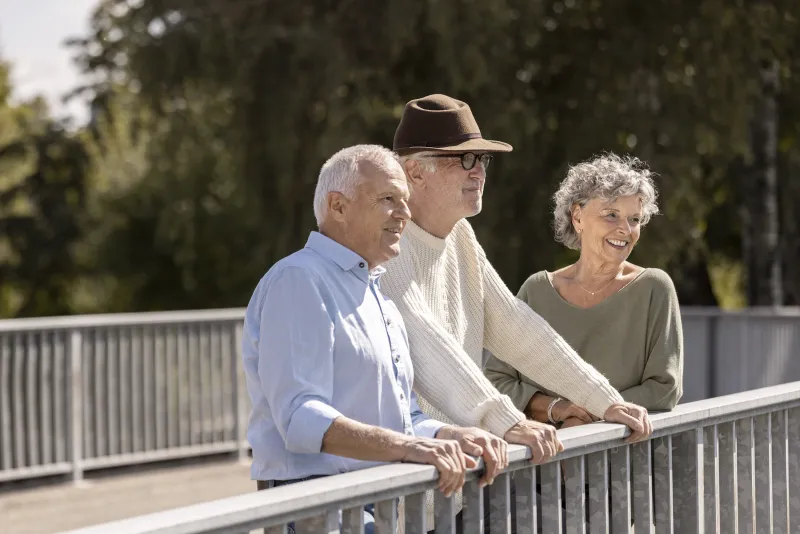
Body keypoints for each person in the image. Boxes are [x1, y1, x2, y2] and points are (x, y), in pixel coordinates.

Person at [241, 145, 507, 533]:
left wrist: (450, 435)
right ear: (338, 206)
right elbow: (301, 419)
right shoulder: (299, 280)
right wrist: (408, 448)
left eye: (405, 200)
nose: (404, 213)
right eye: (387, 199)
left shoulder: (375, 292)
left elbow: (403, 417)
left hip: (371, 502)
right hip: (314, 505)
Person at [380, 95, 653, 457]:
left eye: (482, 159)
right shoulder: (387, 243)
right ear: (415, 171)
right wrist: (507, 422)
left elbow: (515, 326)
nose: (479, 171)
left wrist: (603, 400)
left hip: (453, 478)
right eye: (464, 159)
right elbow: (428, 347)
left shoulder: (460, 234)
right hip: (396, 487)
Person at [484, 153, 683, 427]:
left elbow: (665, 388)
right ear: (578, 217)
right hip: (542, 462)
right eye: (611, 215)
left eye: (634, 219)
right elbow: (496, 381)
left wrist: (591, 418)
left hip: (624, 460)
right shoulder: (537, 291)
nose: (625, 229)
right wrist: (557, 409)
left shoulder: (654, 289)